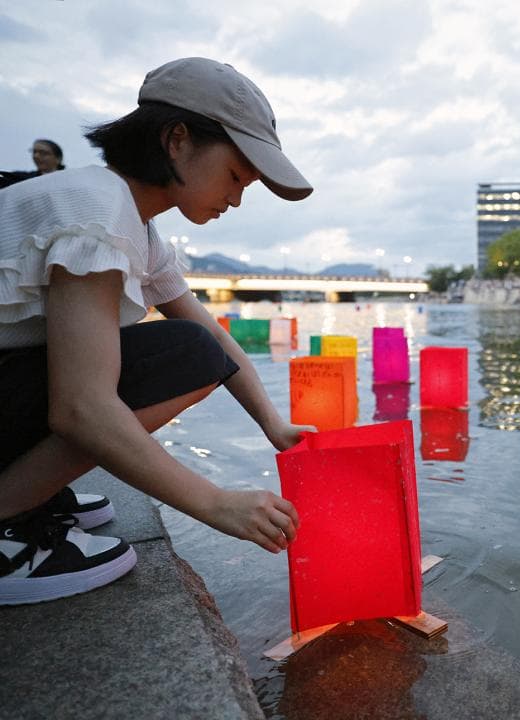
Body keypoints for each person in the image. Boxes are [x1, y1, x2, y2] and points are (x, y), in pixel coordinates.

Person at [0, 58, 314, 605]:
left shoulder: (130, 220)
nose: (237, 199)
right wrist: (215, 502)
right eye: (237, 176)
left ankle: (28, 489)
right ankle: (7, 518)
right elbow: (80, 408)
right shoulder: (97, 212)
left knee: (193, 348)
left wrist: (274, 426)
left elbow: (211, 334)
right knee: (182, 356)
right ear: (177, 139)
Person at [0, 138, 66, 188]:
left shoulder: (67, 179)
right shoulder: (21, 178)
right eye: (34, 152)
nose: (36, 156)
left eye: (43, 153)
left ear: (58, 158)